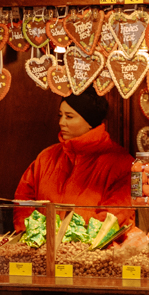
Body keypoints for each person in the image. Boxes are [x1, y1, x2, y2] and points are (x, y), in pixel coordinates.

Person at [13, 89, 132, 230]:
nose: (61, 122)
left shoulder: (123, 163)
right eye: (60, 115)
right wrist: (33, 235)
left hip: (95, 250)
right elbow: (23, 200)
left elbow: (115, 217)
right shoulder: (46, 157)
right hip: (43, 249)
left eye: (69, 116)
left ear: (90, 121)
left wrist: (74, 243)